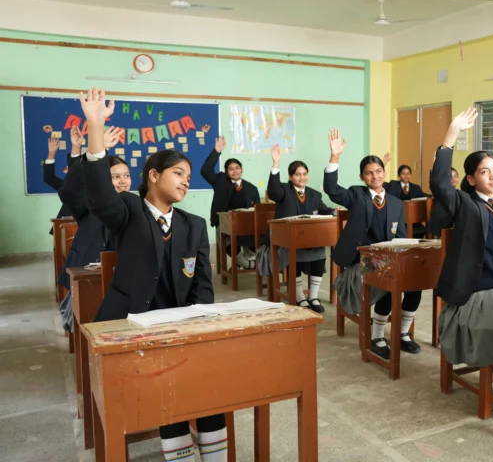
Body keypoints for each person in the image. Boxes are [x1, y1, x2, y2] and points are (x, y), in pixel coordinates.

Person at [80, 88, 227, 462]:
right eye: (178, 173)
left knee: (211, 385)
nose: (185, 181)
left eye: (189, 176)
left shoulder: (194, 226)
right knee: (168, 386)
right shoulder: (129, 209)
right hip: (131, 329)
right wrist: (95, 127)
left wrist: (198, 327)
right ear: (153, 176)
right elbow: (100, 197)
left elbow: (203, 286)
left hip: (179, 330)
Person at [430, 108, 493, 418]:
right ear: (472, 179)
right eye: (485, 172)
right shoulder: (465, 204)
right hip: (478, 296)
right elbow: (440, 185)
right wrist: (452, 134)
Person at [323, 128, 421, 359]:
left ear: (384, 172)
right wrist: (335, 156)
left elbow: (401, 237)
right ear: (362, 177)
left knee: (415, 283)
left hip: (387, 258)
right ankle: (377, 337)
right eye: (368, 173)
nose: (374, 176)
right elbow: (332, 190)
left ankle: (403, 334)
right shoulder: (356, 195)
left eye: (378, 171)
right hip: (359, 262)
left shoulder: (396, 203)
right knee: (388, 281)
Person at [56, 126, 124, 333]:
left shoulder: (133, 206)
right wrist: (94, 150)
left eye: (126, 175)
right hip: (86, 273)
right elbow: (69, 190)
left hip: (118, 278)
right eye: (115, 177)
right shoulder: (88, 205)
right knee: (82, 324)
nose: (123, 181)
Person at [256, 144, 334, 312]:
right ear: (290, 177)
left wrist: (334, 211)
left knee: (320, 252)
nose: (302, 177)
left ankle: (313, 296)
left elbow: (322, 209)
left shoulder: (314, 194)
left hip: (309, 239)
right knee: (294, 252)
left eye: (304, 174)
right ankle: (299, 296)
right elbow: (273, 191)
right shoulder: (283, 190)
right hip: (286, 240)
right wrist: (275, 163)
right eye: (297, 174)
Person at [201, 136, 261, 269]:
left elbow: (257, 209)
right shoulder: (220, 181)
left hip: (246, 225)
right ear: (227, 172)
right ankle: (245, 263)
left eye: (237, 168)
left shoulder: (251, 188)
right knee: (227, 239)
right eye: (231, 169)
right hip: (224, 224)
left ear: (242, 170)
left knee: (262, 234)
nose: (235, 171)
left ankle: (242, 259)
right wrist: (217, 151)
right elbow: (205, 171)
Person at [44, 128, 84, 230]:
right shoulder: (68, 187)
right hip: (64, 228)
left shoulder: (97, 186)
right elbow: (49, 178)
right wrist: (52, 153)